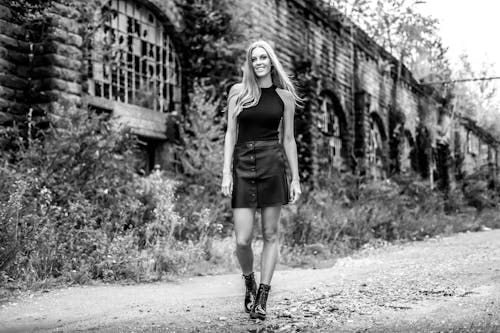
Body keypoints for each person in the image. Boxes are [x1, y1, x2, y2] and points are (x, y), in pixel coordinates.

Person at [221, 40, 302, 320]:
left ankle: (263, 297)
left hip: (271, 164)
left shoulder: (284, 97)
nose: (258, 62)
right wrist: (226, 172)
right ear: (249, 63)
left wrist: (295, 179)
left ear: (271, 61)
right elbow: (230, 134)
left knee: (270, 234)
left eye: (263, 57)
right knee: (242, 239)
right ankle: (249, 281)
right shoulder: (237, 93)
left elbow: (288, 139)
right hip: (243, 165)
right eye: (254, 58)